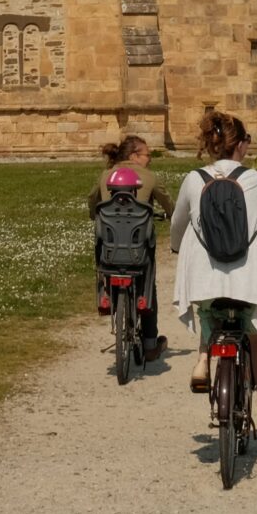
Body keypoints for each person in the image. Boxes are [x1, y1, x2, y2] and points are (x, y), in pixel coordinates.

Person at [168, 110, 257, 438]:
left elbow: (177, 225)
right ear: (241, 145)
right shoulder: (256, 180)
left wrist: (175, 246)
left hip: (205, 278)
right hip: (248, 281)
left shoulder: (194, 180)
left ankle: (202, 361)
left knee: (210, 308)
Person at [89, 133, 173, 362]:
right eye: (147, 155)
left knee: (102, 259)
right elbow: (169, 205)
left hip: (110, 246)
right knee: (148, 282)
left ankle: (105, 293)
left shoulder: (106, 175)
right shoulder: (149, 177)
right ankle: (149, 344)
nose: (150, 159)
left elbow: (92, 201)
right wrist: (170, 215)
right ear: (135, 156)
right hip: (139, 248)